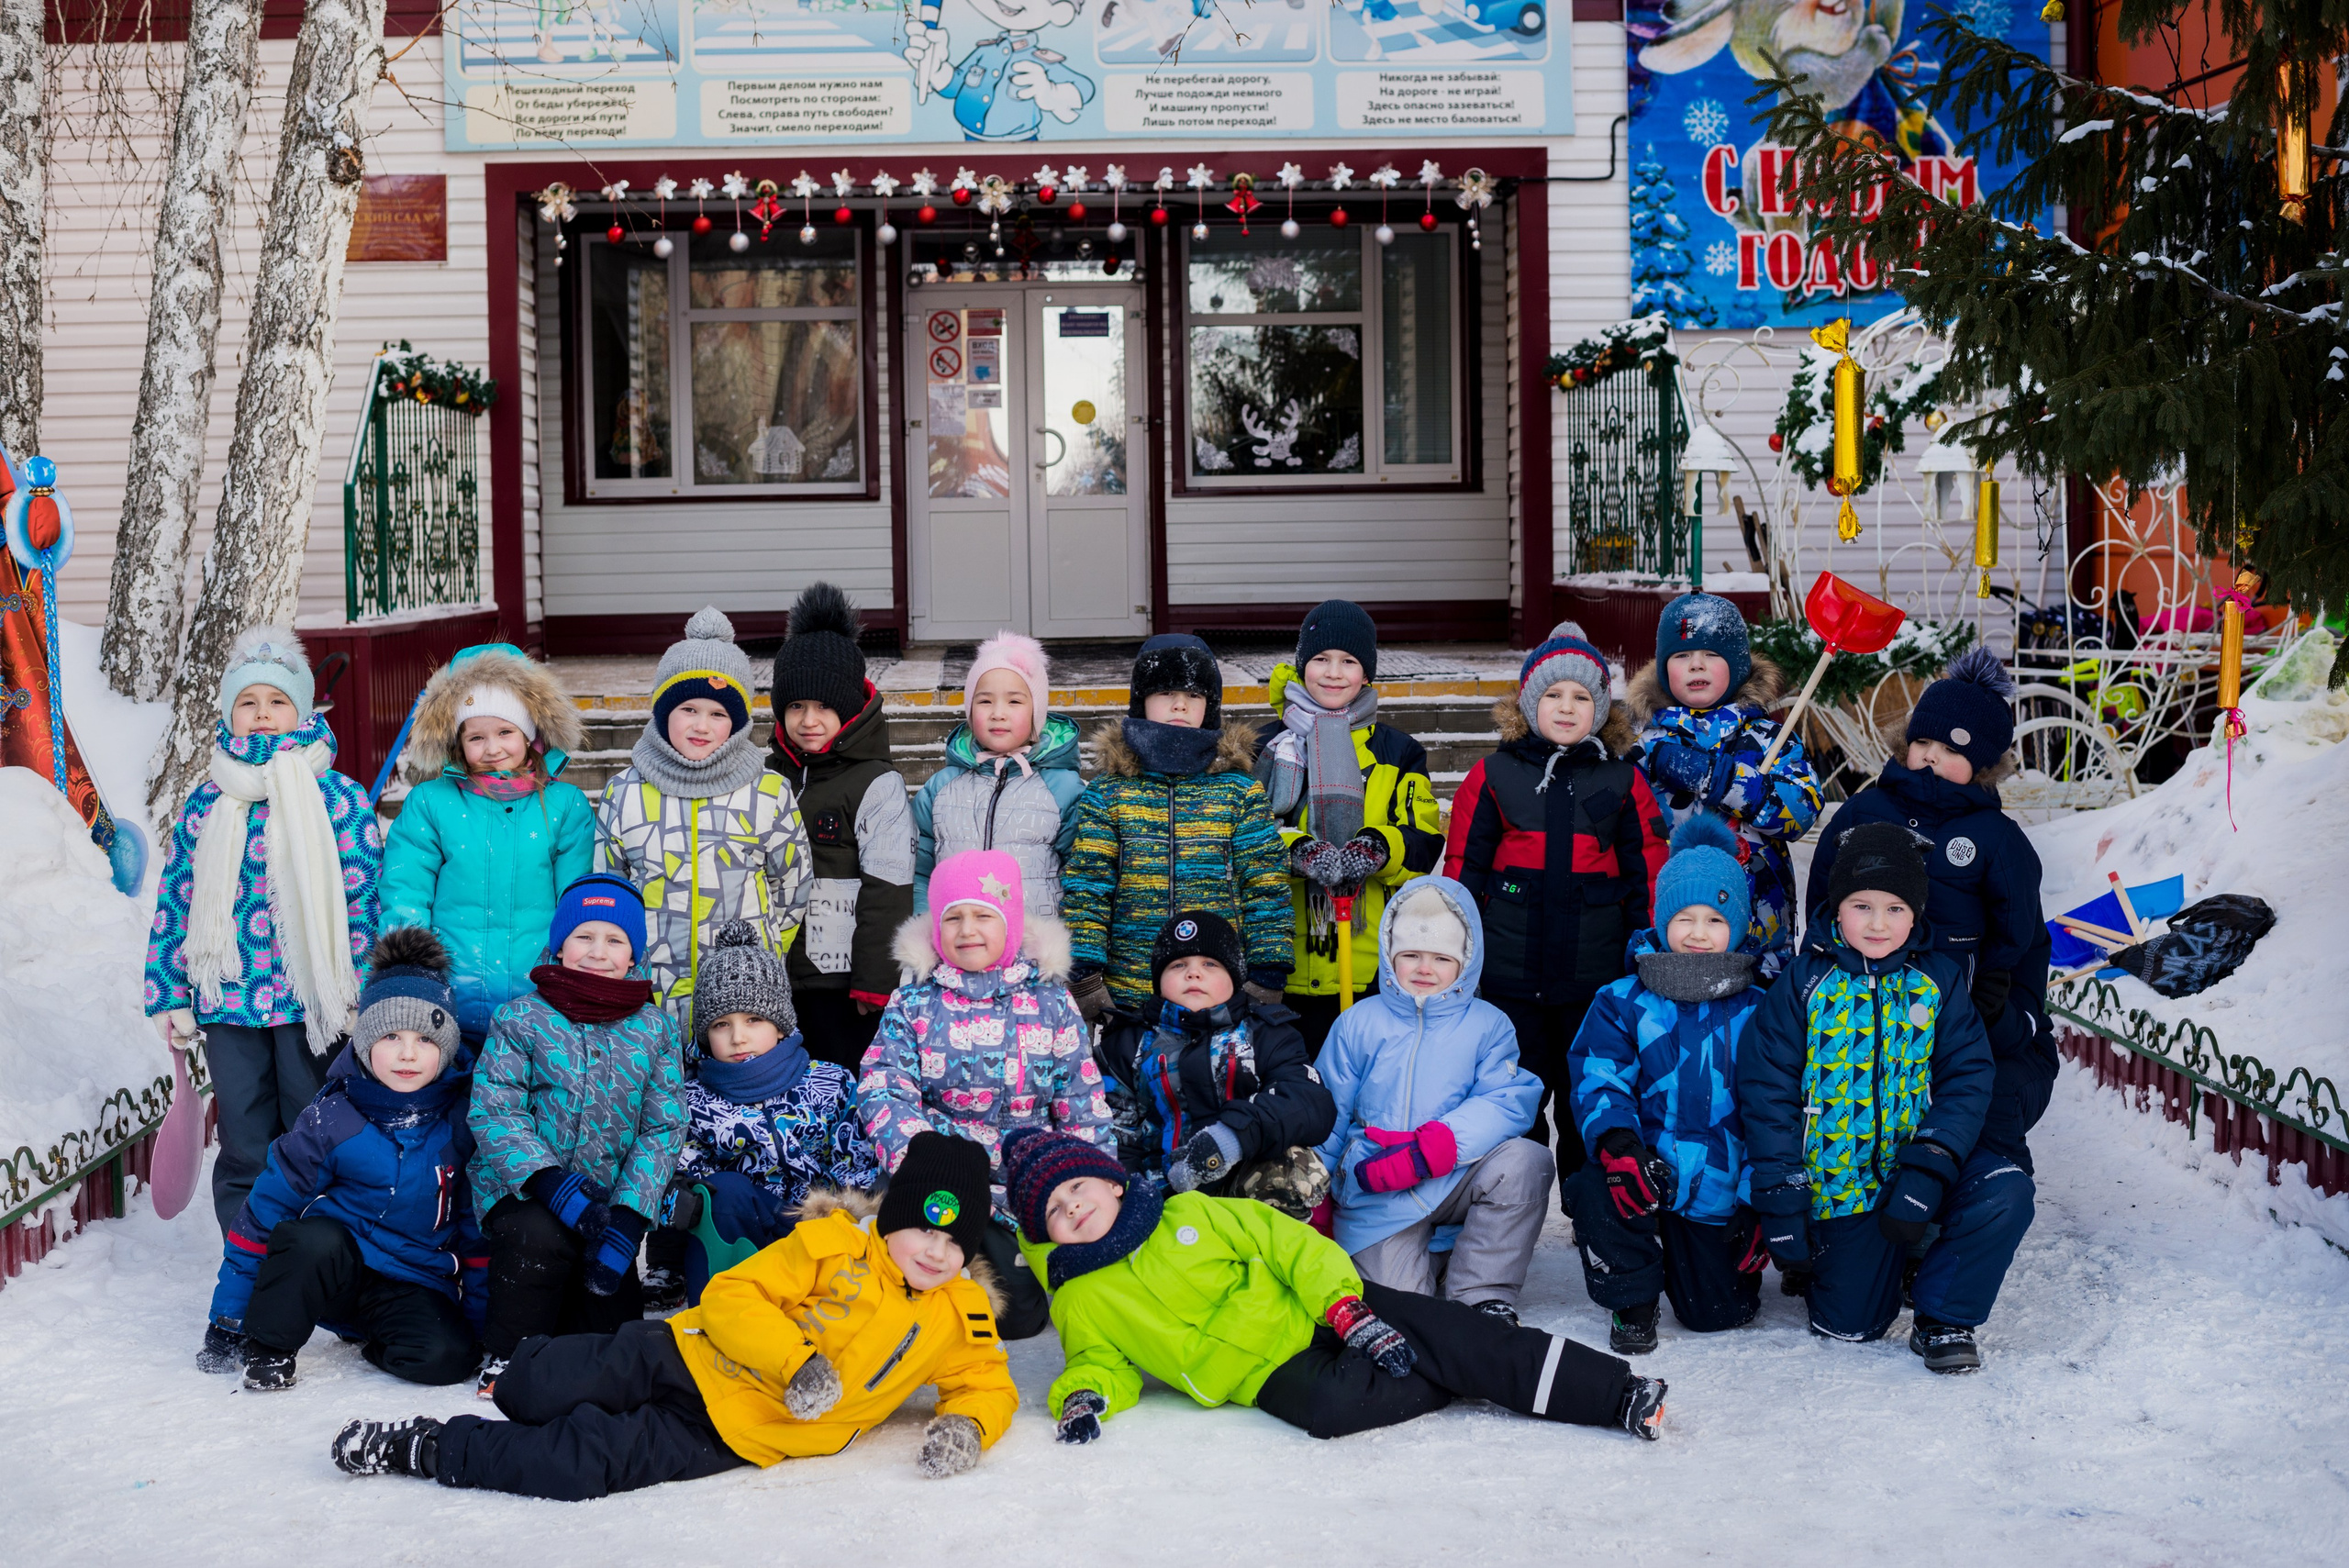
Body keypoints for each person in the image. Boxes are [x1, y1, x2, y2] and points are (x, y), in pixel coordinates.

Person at [330, 1132, 1017, 1498]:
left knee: (582, 1461)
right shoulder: (832, 1243)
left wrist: (970, 1425)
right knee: (538, 1386)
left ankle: (431, 1447)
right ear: (892, 1219)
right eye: (925, 1229)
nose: (937, 1251)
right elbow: (732, 1295)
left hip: (739, 1430)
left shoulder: (960, 1315)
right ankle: (526, 1373)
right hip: (685, 1352)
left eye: (955, 1241)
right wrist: (797, 1361)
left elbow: (987, 1382)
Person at [999, 1127, 1666, 1444]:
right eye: (1053, 1209)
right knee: (1331, 1411)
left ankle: (1614, 1393)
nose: (1072, 1206)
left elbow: (1287, 1244)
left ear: (1112, 1182)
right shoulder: (1080, 1296)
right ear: (1045, 1233)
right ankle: (1455, 1370)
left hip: (1318, 1305)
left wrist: (1346, 1309)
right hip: (1259, 1373)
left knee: (1459, 1333)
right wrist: (1084, 1394)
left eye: (1077, 1186)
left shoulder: (1188, 1213)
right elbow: (1097, 1358)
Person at [1742, 822, 2032, 1373]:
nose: (1878, 923)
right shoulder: (1803, 984)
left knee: (2005, 1191)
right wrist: (1782, 1194)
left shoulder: (1938, 981)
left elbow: (1968, 1076)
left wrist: (1932, 1165)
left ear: (1915, 914)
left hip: (1919, 1166)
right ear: (1837, 908)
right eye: (1862, 906)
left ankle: (1943, 1316)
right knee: (1851, 1325)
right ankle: (1864, 1260)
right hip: (1841, 1184)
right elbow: (1766, 1091)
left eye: (1896, 908)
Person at [144, 626, 383, 1234]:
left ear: (302, 710)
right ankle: (249, 1260)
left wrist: (361, 986)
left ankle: (316, 1257)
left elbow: (363, 898)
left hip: (313, 1004)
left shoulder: (341, 799)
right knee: (245, 1140)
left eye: (277, 701)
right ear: (229, 713)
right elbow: (177, 898)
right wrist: (168, 991)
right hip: (230, 1002)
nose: (262, 714)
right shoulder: (207, 802)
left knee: (315, 1129)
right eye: (248, 702)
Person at [1803, 646, 2058, 1179]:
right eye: (1922, 742)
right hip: (1860, 1007)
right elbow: (1824, 903)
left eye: (1951, 748)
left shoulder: (1996, 839)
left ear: (1983, 766)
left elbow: (2019, 936)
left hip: (1955, 1013)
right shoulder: (1864, 812)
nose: (1931, 758)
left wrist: (1996, 1002)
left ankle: (1977, 1197)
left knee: (1965, 1107)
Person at [197, 929, 483, 1391]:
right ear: (365, 1041)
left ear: (446, 1048)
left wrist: (480, 1326)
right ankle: (269, 1345)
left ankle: (374, 1338)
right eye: (391, 1035)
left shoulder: (460, 1124)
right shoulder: (333, 1118)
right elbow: (265, 1211)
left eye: (426, 1040)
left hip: (413, 1279)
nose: (408, 1054)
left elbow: (475, 1231)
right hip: (335, 1268)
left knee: (449, 1360)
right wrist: (228, 1317)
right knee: (311, 1239)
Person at [857, 849, 1116, 1340]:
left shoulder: (1051, 1001)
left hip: (1023, 1180)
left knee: (1015, 1314)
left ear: (1011, 924)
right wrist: (922, 1157)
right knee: (903, 1278)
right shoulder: (914, 1000)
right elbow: (884, 1086)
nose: (967, 930)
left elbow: (1080, 1098)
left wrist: (1091, 1177)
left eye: (983, 916)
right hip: (939, 1172)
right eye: (953, 917)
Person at [1444, 621, 1671, 1172]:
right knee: (1511, 1103)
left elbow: (1647, 873)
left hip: (1592, 982)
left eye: (1582, 697)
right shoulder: (1492, 776)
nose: (1567, 707)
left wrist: (1648, 949)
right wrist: (1456, 953)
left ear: (1601, 709)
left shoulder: (1623, 781)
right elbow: (1463, 871)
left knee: (1589, 1102)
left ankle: (1591, 1204)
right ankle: (1510, 1200)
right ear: (1529, 703)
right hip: (1509, 980)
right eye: (1553, 694)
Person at [467, 874, 686, 1395]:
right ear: (559, 945)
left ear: (633, 955)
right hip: (524, 1192)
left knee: (608, 1327)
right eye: (583, 936)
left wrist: (629, 1219)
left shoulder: (655, 1028)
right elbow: (495, 1110)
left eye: (615, 939)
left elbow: (663, 1127)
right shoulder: (521, 1018)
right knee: (539, 1236)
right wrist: (549, 1183)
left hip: (607, 1206)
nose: (597, 952)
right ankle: (508, 1354)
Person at [1564, 814, 1768, 1355]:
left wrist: (1758, 1196)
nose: (1698, 933)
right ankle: (1632, 1301)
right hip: (1644, 1176)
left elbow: (1775, 1107)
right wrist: (1619, 1146)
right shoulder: (1623, 1001)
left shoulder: (1759, 1010)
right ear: (1661, 919)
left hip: (1721, 1190)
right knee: (1593, 1188)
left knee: (1717, 1316)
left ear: (1738, 924)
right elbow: (1600, 1077)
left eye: (1715, 919)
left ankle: (1705, 1269)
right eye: (1684, 917)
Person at [1312, 878, 1553, 1326]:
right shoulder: (1357, 1023)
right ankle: (1433, 1257)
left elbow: (1507, 1099)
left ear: (1465, 961)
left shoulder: (1488, 1025)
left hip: (1455, 1175)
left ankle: (1482, 1292)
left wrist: (1436, 1147)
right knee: (1403, 1313)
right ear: (1390, 955)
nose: (1425, 968)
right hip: (1379, 1189)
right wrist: (1314, 1191)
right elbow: (1328, 1110)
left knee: (1526, 1161)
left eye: (1442, 958)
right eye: (1411, 956)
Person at [596, 606, 809, 1036]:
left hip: (742, 996)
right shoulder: (625, 792)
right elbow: (608, 883)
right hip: (650, 986)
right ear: (663, 712)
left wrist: (764, 947)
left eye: (718, 714)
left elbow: (792, 883)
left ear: (737, 723)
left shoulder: (768, 792)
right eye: (688, 709)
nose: (702, 726)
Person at [644, 919, 879, 1309]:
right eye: (721, 1025)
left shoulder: (829, 1082)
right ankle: (720, 1314)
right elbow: (680, 1173)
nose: (738, 1037)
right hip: (745, 1233)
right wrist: (684, 1197)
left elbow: (856, 1164)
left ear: (781, 1025)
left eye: (754, 1020)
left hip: (819, 1232)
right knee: (720, 1192)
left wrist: (841, 1219)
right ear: (705, 1036)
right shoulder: (694, 1100)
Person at [1063, 633, 1291, 1025]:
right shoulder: (1109, 792)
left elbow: (1265, 883)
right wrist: (1085, 978)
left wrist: (1267, 974)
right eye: (1166, 692)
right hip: (1129, 996)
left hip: (1221, 995)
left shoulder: (1238, 791)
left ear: (1210, 706)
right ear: (1141, 701)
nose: (1180, 704)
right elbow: (1088, 885)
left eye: (1194, 695)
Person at [379, 642, 595, 1053]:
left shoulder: (565, 806)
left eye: (505, 732)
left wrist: (569, 974)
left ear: (530, 735)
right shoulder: (431, 803)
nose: (492, 748)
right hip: (446, 998)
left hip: (538, 1002)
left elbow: (575, 901)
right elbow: (406, 889)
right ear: (458, 744)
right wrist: (411, 973)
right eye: (476, 737)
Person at [1254, 600, 1445, 1052]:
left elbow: (1423, 837)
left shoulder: (1398, 751)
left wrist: (1378, 846)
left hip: (1368, 963)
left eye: (1349, 661)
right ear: (1302, 666)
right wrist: (1296, 849)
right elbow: (1244, 832)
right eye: (1321, 659)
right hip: (1278, 963)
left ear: (1367, 674)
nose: (1334, 673)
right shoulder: (1267, 746)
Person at [1627, 592, 1823, 977]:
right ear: (1664, 669)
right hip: (1675, 934)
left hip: (1760, 938)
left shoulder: (1769, 739)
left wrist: (1722, 780)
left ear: (1736, 665)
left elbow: (1801, 813)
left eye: (1712, 654)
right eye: (1682, 655)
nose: (1696, 664)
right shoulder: (1646, 747)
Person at [1093, 910, 1336, 1219]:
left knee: (1296, 1163)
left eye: (1210, 964)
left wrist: (1233, 1137)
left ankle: (1270, 1245)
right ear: (1158, 981)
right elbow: (1116, 1134)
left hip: (1244, 1187)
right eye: (1178, 965)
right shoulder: (1127, 1044)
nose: (1193, 973)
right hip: (1162, 1194)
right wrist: (1132, 1197)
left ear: (1234, 979)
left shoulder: (1267, 1035)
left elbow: (1308, 1102)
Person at [764, 584, 914, 1073]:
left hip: (844, 983)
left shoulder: (876, 783)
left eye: (824, 707)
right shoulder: (767, 778)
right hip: (777, 979)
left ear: (849, 708)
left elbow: (889, 887)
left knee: (844, 1086)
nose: (809, 720)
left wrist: (877, 979)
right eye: (796, 706)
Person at [912, 628, 1086, 917]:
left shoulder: (1064, 789)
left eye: (1014, 701)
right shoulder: (941, 788)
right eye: (985, 701)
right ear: (970, 711)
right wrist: (925, 925)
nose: (998, 713)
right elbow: (920, 872)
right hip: (958, 938)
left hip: (1035, 940)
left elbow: (1081, 875)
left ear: (1036, 712)